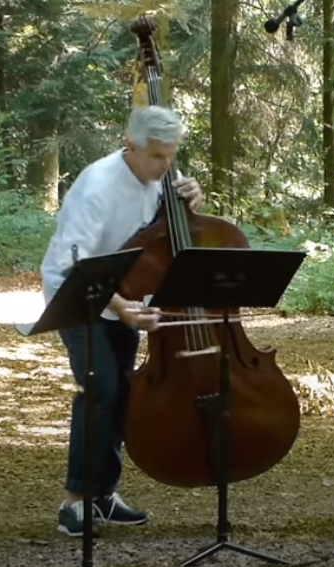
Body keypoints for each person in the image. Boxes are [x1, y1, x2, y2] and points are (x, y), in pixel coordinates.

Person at [40, 104, 204, 537]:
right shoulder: (97, 186)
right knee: (101, 388)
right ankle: (74, 501)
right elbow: (74, 264)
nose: (167, 166)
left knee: (122, 394)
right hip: (77, 296)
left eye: (172, 155)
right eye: (157, 156)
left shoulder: (158, 175)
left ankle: (104, 493)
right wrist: (120, 308)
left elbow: (157, 239)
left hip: (123, 294)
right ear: (129, 144)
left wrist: (190, 202)